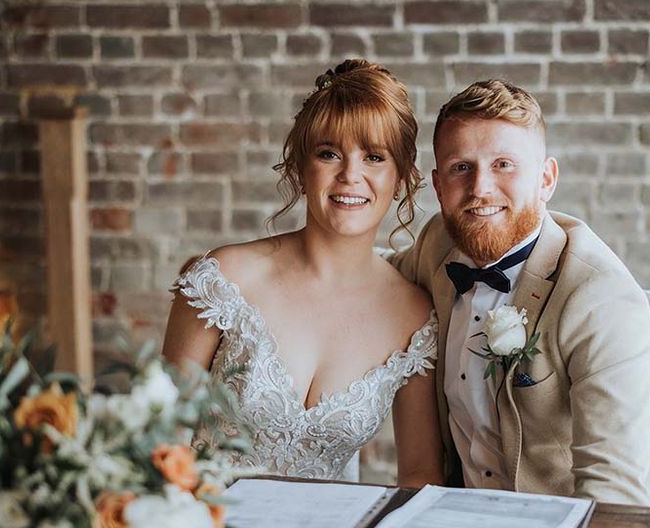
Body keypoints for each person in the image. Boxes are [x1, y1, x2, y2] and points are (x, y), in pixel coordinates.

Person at [391, 78, 650, 508]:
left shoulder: (599, 298)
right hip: (463, 525)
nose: (480, 188)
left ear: (546, 179)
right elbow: (368, 280)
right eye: (463, 167)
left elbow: (612, 492)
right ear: (439, 186)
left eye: (504, 164)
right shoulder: (437, 244)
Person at [163, 59, 444, 487]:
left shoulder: (413, 316)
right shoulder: (225, 280)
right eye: (329, 153)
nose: (351, 175)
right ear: (300, 167)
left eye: (374, 157)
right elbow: (158, 437)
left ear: (401, 176)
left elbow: (421, 474)